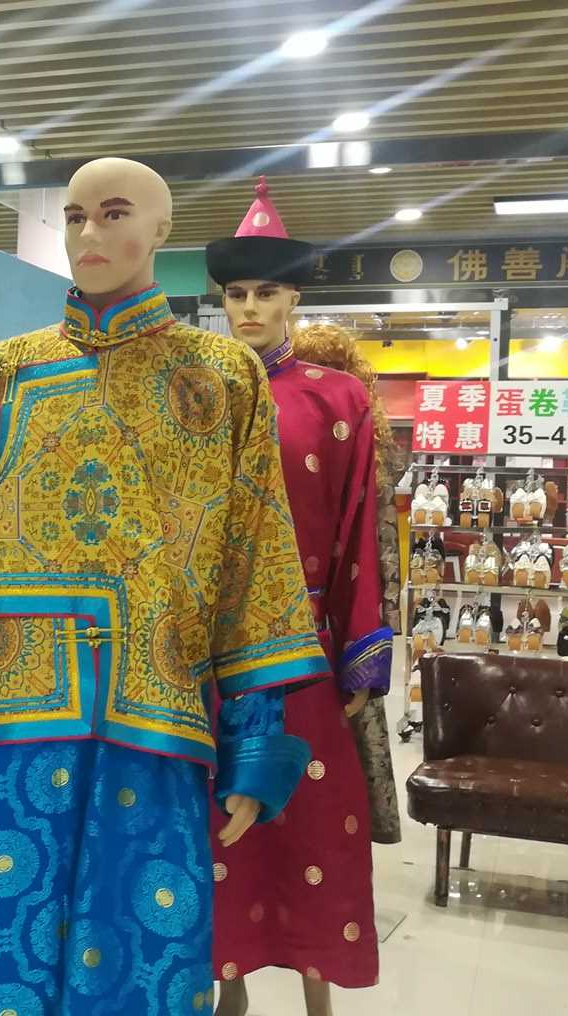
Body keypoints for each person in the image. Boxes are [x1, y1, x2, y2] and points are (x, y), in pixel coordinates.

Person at [0, 156, 329, 1014]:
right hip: (5, 708)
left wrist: (255, 733)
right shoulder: (4, 373)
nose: (89, 233)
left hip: (153, 706)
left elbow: (254, 556)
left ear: (162, 230)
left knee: (137, 950)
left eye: (114, 214)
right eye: (75, 216)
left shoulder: (222, 376)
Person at [205, 179, 392, 1016]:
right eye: (236, 294)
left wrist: (360, 653)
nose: (249, 308)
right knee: (220, 823)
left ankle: (320, 992)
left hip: (305, 645)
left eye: (265, 293)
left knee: (316, 820)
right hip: (210, 647)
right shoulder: (198, 392)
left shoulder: (338, 398)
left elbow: (358, 528)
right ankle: (228, 988)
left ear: (294, 299)